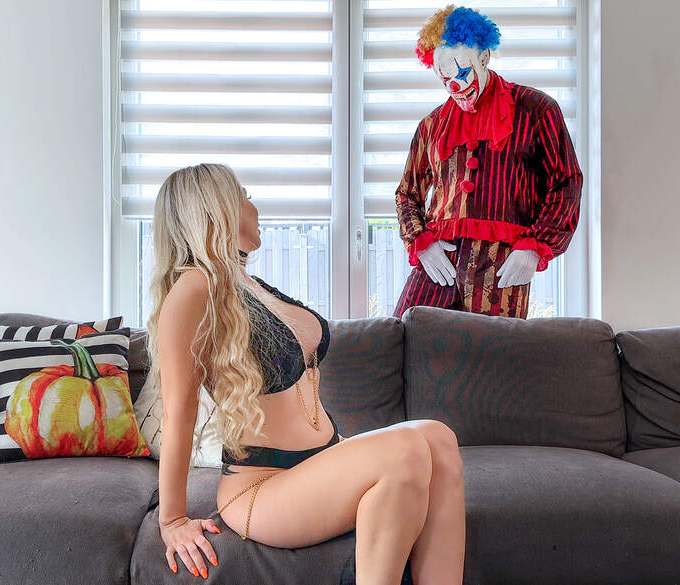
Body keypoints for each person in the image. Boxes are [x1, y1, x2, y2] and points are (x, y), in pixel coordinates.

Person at [145, 162, 465, 583]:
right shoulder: (194, 289)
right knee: (405, 450)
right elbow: (178, 412)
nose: (254, 206)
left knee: (438, 438)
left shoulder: (247, 284)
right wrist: (171, 520)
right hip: (263, 486)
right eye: (245, 196)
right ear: (216, 211)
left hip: (321, 458)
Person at [393, 5, 582, 319]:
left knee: (490, 349)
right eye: (445, 79)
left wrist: (535, 246)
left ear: (484, 58)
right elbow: (407, 194)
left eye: (462, 73)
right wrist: (421, 242)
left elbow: (566, 182)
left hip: (501, 265)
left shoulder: (536, 110)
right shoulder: (431, 125)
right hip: (440, 261)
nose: (455, 86)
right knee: (401, 337)